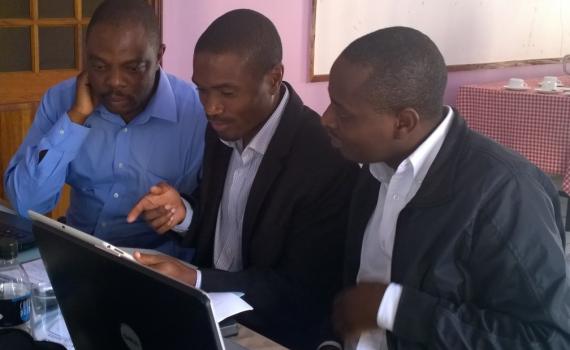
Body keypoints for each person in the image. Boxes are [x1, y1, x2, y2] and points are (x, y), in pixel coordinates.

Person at [319, 27, 570, 349]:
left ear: (404, 123)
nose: (325, 119)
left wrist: (395, 308)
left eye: (342, 112)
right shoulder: (374, 167)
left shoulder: (507, 194)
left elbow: (546, 339)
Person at [127, 9, 358, 349]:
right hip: (211, 316)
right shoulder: (225, 126)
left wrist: (198, 278)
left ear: (274, 78)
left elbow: (303, 288)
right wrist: (183, 213)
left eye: (226, 93)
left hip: (274, 332)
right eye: (202, 91)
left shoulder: (324, 158)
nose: (210, 107)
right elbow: (226, 227)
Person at [3, 0, 206, 256]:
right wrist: (75, 119)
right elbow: (26, 203)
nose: (114, 81)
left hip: (161, 266)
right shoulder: (62, 101)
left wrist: (183, 210)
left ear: (158, 57)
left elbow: (220, 219)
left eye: (132, 68)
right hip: (79, 255)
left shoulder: (196, 114)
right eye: (99, 67)